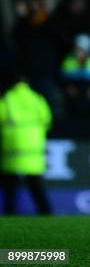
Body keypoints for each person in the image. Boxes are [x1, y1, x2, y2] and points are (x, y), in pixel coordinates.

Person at [0, 73, 52, 215]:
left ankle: (9, 214)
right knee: (36, 186)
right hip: (34, 150)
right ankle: (46, 214)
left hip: (13, 150)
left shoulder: (6, 99)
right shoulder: (37, 98)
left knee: (10, 186)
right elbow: (47, 121)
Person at [61, 33, 90, 116]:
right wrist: (68, 87)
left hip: (88, 90)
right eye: (77, 49)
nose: (79, 53)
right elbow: (63, 79)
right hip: (73, 90)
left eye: (82, 50)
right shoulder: (68, 61)